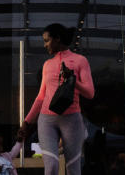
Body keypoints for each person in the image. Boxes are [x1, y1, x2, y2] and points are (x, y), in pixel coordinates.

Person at [19, 23, 95, 175]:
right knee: (52, 167)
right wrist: (27, 122)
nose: (45, 44)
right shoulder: (47, 65)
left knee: (73, 169)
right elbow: (41, 97)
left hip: (72, 119)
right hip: (47, 120)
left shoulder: (80, 60)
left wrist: (72, 79)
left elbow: (90, 93)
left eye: (47, 40)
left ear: (57, 39)